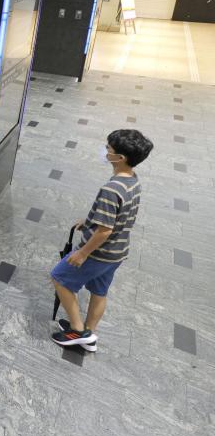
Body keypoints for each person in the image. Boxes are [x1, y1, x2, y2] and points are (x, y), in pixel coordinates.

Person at [50, 129, 153, 351]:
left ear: (120, 158)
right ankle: (90, 333)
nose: (105, 151)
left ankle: (78, 331)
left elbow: (105, 231)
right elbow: (118, 215)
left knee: (59, 277)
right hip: (117, 252)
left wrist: (82, 253)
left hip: (98, 253)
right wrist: (90, 221)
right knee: (99, 291)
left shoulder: (111, 188)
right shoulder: (132, 180)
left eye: (109, 149)